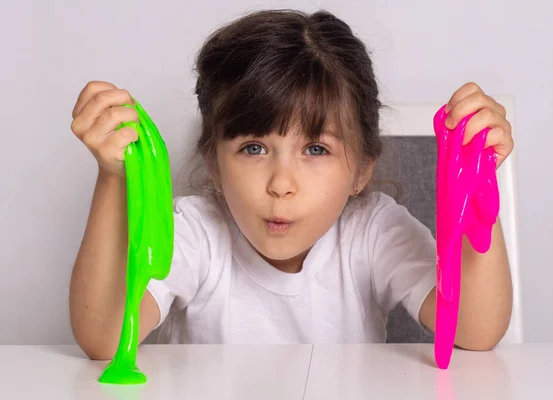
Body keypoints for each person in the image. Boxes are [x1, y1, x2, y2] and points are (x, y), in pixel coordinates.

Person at [68, 9, 514, 360]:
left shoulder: (372, 229)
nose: (281, 184)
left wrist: (477, 177)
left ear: (361, 169)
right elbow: (105, 338)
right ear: (213, 161)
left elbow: (474, 331)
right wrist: (113, 179)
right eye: (253, 149)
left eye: (316, 150)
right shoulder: (195, 232)